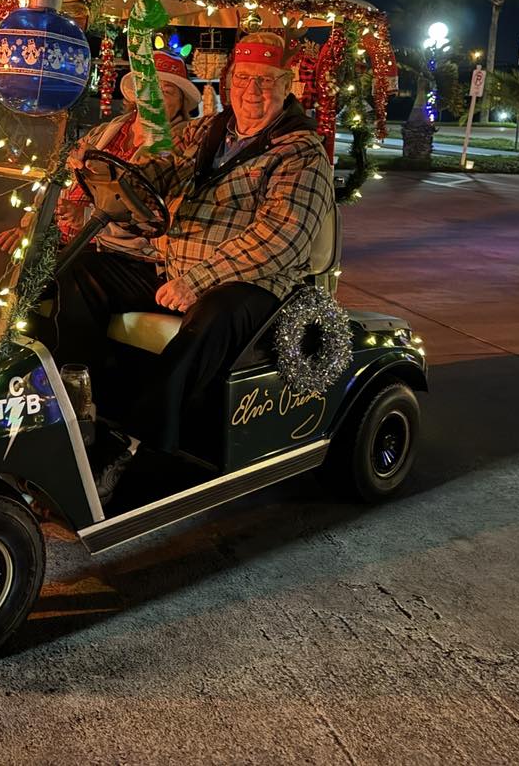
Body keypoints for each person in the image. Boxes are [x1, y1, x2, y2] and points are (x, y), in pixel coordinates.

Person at [49, 30, 334, 493]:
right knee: (78, 276)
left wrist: (201, 279)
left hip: (249, 286)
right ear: (228, 81)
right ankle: (82, 402)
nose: (252, 92)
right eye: (243, 78)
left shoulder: (300, 152)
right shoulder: (207, 131)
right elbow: (164, 169)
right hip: (172, 269)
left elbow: (283, 237)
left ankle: (133, 445)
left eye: (265, 81)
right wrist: (118, 179)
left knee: (210, 320)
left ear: (287, 86)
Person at [0, 49, 198, 250]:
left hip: (110, 251)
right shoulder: (104, 132)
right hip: (57, 238)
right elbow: (59, 176)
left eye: (167, 92)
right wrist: (33, 221)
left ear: (181, 104)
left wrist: (86, 218)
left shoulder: (178, 145)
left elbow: (150, 212)